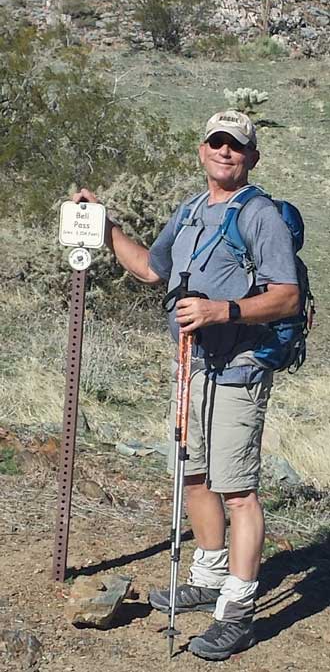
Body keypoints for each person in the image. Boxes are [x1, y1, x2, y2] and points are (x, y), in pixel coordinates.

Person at [73, 110, 299, 661]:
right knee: (195, 474)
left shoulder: (261, 214)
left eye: (237, 146)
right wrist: (105, 229)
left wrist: (224, 310)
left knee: (238, 490)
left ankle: (239, 610)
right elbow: (153, 268)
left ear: (251, 157)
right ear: (202, 150)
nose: (226, 152)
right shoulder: (192, 210)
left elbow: (287, 296)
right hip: (191, 364)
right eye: (217, 143)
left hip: (239, 368)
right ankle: (209, 575)